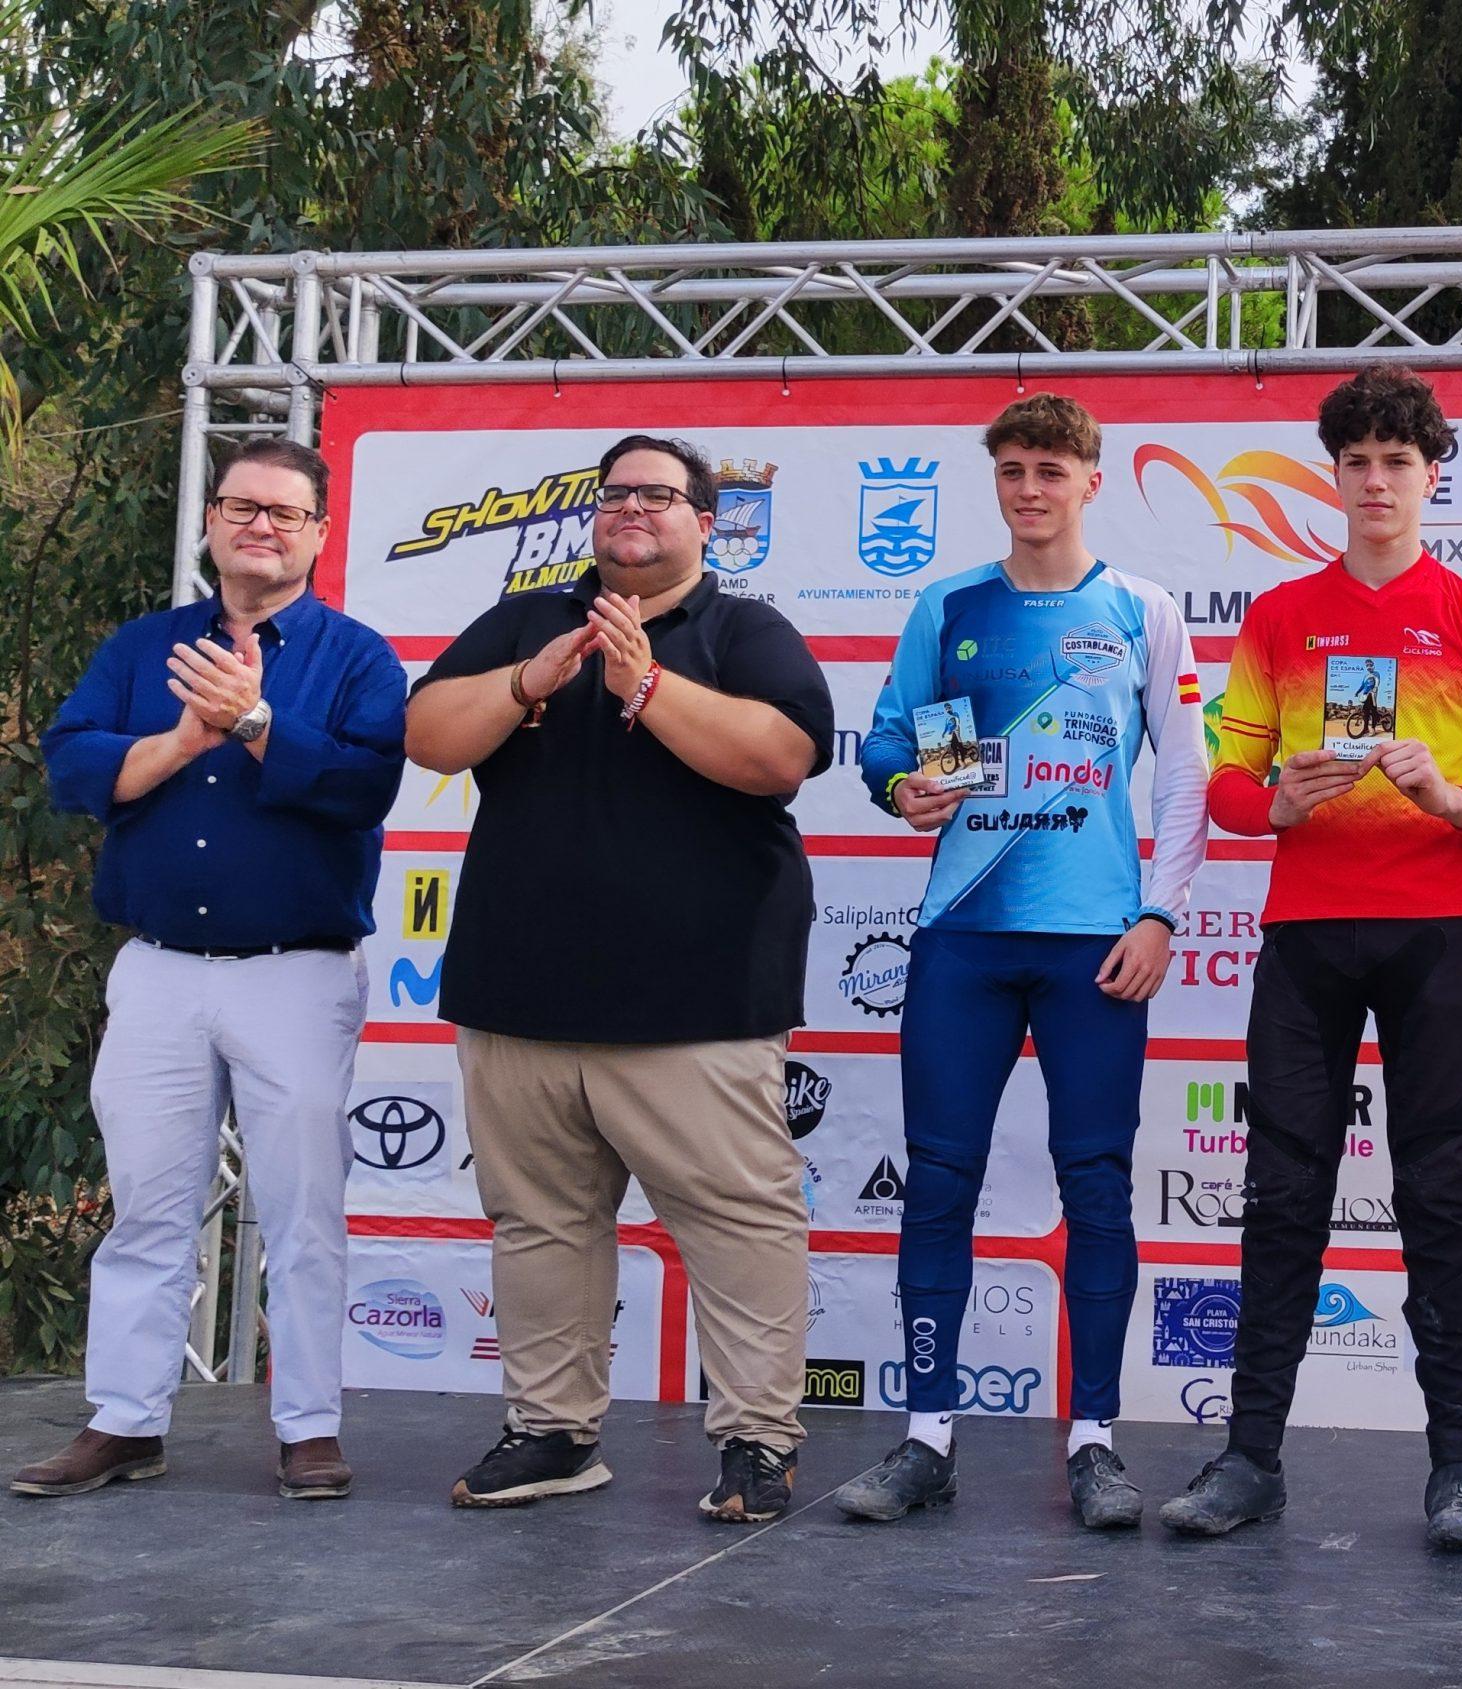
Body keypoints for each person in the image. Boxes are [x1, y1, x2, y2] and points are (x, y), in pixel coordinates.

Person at [405, 434, 832, 1524]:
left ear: (705, 522)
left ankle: (757, 1440)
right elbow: (429, 735)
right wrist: (525, 681)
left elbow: (780, 756)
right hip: (520, 991)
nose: (632, 509)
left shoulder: (744, 630)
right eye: (616, 494)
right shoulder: (526, 619)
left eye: (658, 494)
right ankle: (552, 1431)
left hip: (697, 1001)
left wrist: (643, 683)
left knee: (737, 1224)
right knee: (540, 1223)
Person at [1156, 364, 1462, 1551]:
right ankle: (1249, 1459)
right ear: (1332, 476)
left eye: (1397, 462)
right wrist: (1276, 800)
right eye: (1357, 462)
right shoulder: (1280, 615)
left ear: (1432, 476)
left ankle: (1457, 1470)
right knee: (1281, 1195)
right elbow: (1226, 783)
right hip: (1307, 937)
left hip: (1433, 940)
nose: (1376, 482)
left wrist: (1451, 797)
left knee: (1437, 1198)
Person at [834, 392, 1209, 1530]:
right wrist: (901, 786)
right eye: (1012, 470)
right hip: (963, 934)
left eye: (1051, 470)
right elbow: (890, 738)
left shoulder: (1143, 608)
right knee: (938, 1180)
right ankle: (928, 1437)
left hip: (1095, 944)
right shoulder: (948, 604)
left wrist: (1161, 914)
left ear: (1091, 480)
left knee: (1095, 1185)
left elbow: (1185, 774)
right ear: (995, 480)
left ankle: (1094, 1441)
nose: (1031, 489)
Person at [22, 440, 405, 1501]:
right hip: (156, 971)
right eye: (242, 507)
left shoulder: (356, 656)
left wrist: (257, 723)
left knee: (303, 1211)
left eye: (285, 513)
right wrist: (188, 739)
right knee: (147, 1209)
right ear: (211, 522)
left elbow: (362, 788)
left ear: (319, 533)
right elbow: (74, 766)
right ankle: (125, 1420)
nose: (260, 527)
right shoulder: (144, 647)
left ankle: (310, 1426)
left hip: (295, 974)